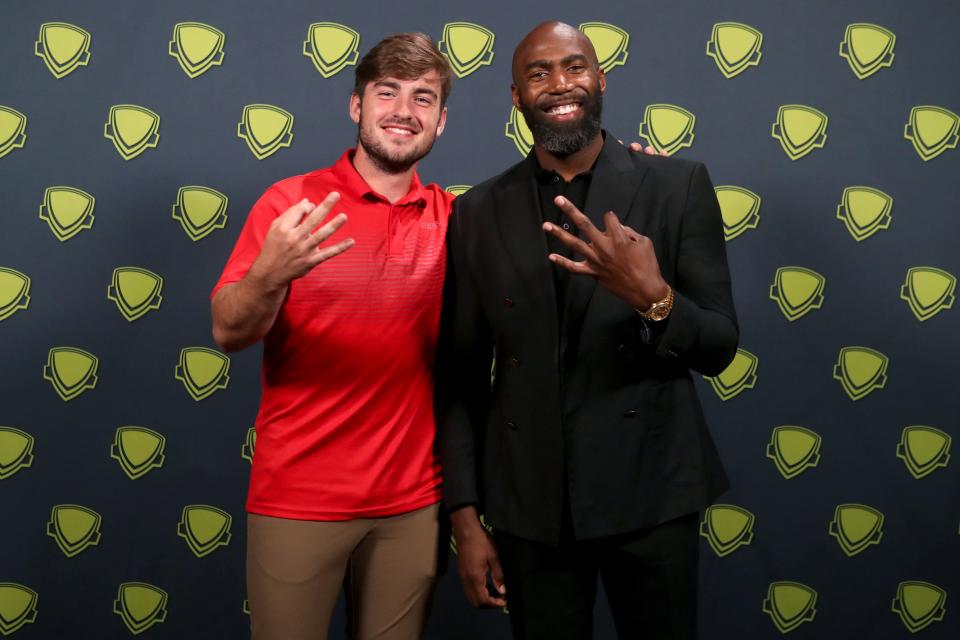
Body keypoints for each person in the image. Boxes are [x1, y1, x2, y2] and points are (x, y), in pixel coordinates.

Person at [438, 21, 739, 640]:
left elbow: (720, 346)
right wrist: (465, 519)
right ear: (516, 97)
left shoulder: (676, 186)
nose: (559, 84)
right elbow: (462, 377)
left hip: (651, 495)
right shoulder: (477, 211)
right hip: (531, 507)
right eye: (538, 73)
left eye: (574, 66)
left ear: (600, 80)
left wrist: (653, 299)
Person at [210, 33, 454, 640]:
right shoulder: (291, 202)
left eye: (423, 98)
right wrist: (269, 275)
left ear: (441, 121)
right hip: (299, 496)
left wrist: (633, 179)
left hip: (413, 502)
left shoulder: (455, 218)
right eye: (387, 92)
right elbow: (227, 329)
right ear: (356, 106)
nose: (404, 110)